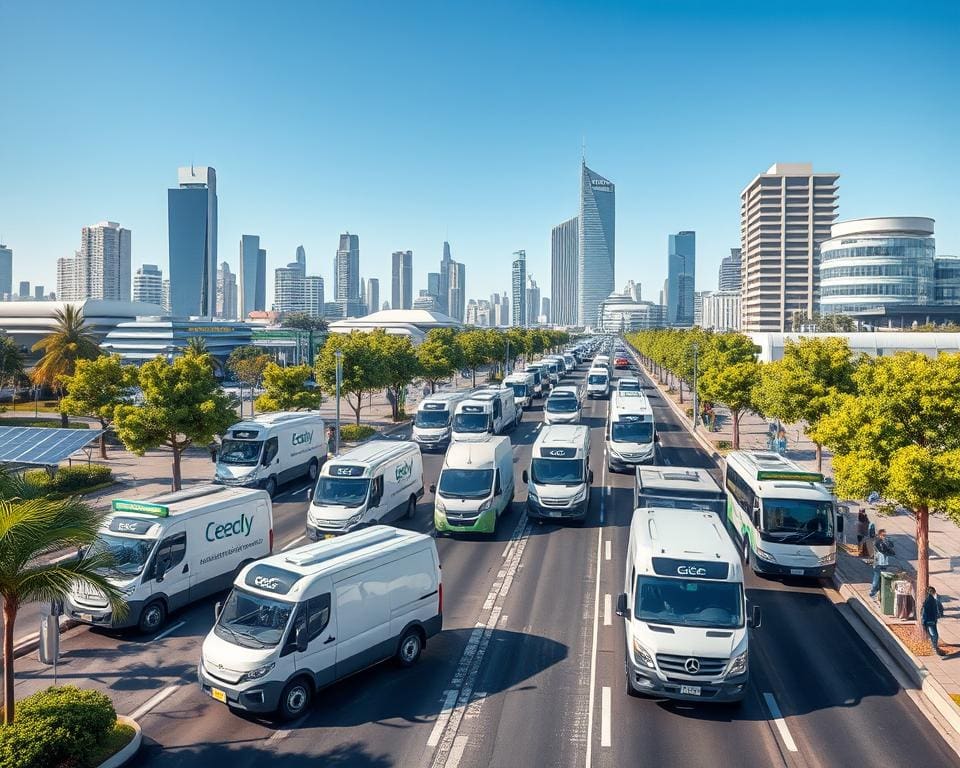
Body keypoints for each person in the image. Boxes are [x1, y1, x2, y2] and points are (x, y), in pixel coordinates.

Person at [870, 529, 895, 600]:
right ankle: (872, 593)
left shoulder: (884, 542)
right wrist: (886, 545)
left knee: (881, 579)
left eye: (885, 535)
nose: (885, 537)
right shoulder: (877, 542)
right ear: (879, 535)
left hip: (884, 563)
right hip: (878, 563)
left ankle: (879, 594)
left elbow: (891, 546)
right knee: (876, 579)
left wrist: (888, 542)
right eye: (883, 535)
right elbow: (883, 550)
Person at [922, 585, 946, 656]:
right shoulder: (930, 600)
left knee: (933, 635)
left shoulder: (931, 599)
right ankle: (934, 648)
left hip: (930, 620)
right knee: (934, 635)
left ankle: (934, 647)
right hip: (930, 621)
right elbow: (927, 612)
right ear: (932, 592)